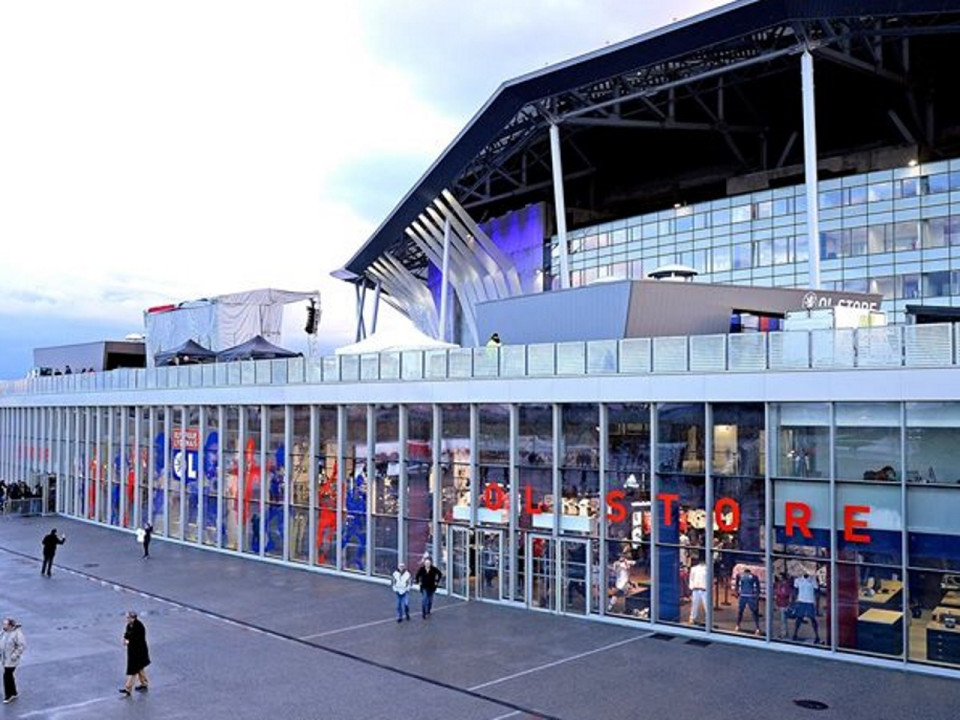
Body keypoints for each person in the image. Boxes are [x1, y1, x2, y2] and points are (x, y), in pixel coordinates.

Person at [119, 611, 150, 696]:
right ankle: (144, 684)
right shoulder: (130, 625)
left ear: (133, 618)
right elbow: (127, 634)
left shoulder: (139, 627)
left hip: (138, 652)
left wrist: (128, 641)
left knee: (133, 670)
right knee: (140, 668)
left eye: (128, 618)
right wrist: (125, 638)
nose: (127, 619)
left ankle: (128, 688)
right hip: (133, 651)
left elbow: (137, 639)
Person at [0, 618, 25, 704]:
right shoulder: (4, 631)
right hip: (5, 658)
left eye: (5, 624)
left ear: (10, 625)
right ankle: (13, 692)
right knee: (9, 675)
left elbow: (21, 646)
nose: (3, 626)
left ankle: (9, 695)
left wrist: (14, 655)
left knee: (7, 675)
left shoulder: (17, 634)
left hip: (11, 660)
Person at [792, 572, 821, 644]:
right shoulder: (798, 580)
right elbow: (795, 592)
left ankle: (817, 636)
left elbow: (817, 592)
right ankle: (795, 634)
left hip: (810, 601)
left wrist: (817, 606)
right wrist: (793, 603)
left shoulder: (813, 580)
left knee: (812, 619)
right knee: (799, 618)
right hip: (801, 601)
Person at [734, 566, 762, 635]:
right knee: (754, 612)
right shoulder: (754, 576)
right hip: (751, 596)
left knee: (740, 611)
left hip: (743, 595)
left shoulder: (740, 575)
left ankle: (737, 625)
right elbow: (758, 586)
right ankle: (757, 628)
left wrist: (736, 592)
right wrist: (757, 595)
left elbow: (737, 584)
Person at [688, 556, 708, 625]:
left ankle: (708, 619)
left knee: (707, 605)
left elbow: (709, 579)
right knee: (694, 605)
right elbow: (691, 578)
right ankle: (692, 618)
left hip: (704, 590)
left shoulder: (707, 569)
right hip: (696, 589)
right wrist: (691, 587)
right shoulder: (694, 569)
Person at [773, 571, 793, 638]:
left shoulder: (785, 585)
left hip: (784, 603)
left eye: (780, 577)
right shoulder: (779, 584)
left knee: (783, 620)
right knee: (782, 620)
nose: (779, 578)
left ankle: (783, 634)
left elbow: (789, 595)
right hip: (780, 603)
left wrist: (789, 604)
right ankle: (784, 633)